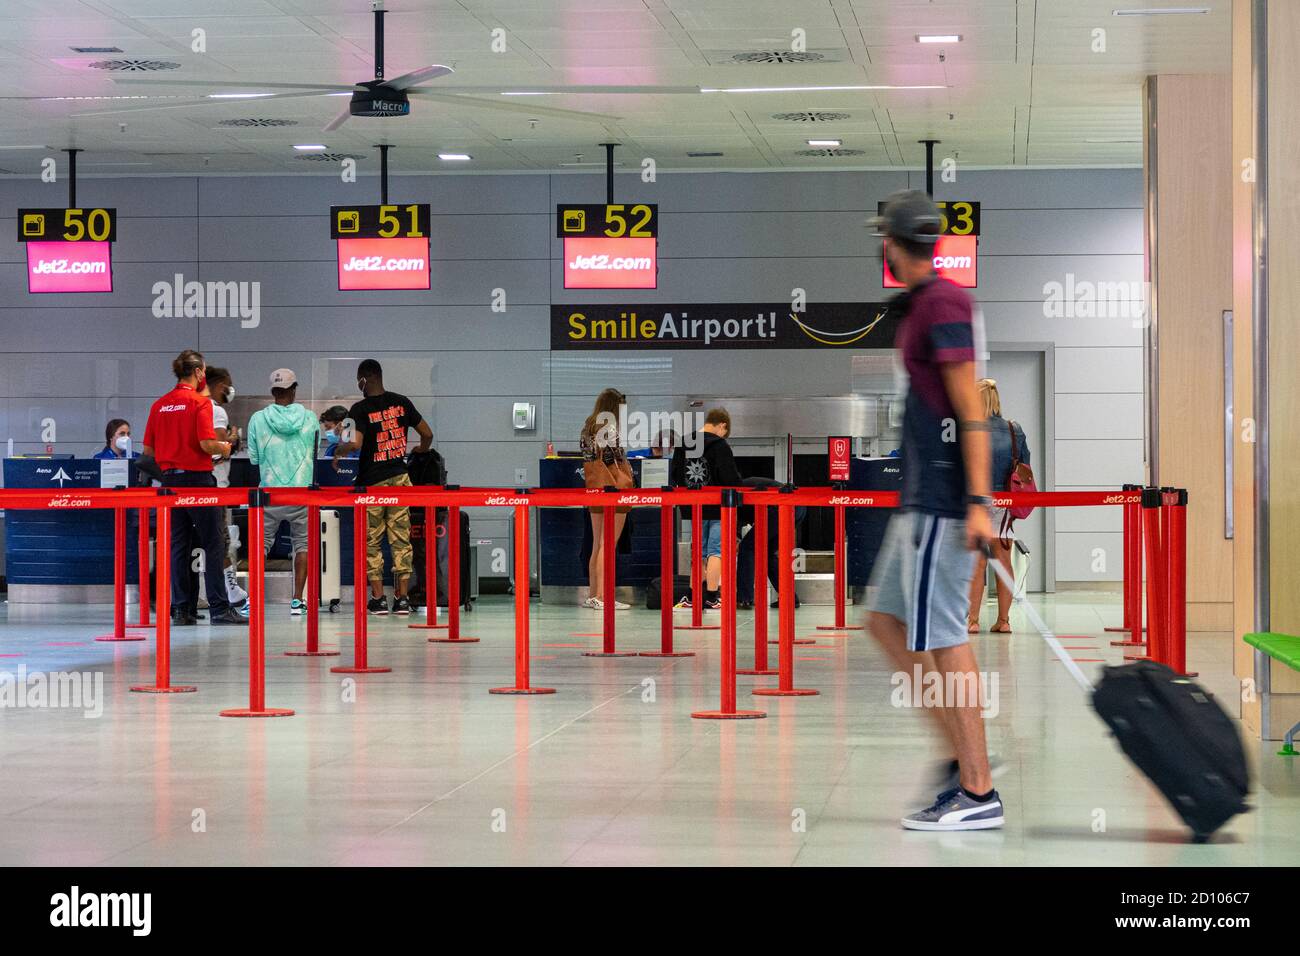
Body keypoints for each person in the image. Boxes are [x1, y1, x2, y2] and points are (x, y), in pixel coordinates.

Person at [866, 190, 1002, 831]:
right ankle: (957, 754)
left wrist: (978, 503)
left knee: (945, 638)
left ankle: (976, 792)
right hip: (918, 501)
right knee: (885, 621)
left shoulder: (944, 302)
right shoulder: (923, 304)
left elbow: (969, 408)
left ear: (891, 245)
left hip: (944, 505)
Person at [141, 349, 245, 626]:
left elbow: (148, 450)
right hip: (198, 480)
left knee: (178, 545)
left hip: (170, 482)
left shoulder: (159, 405)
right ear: (199, 372)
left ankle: (181, 609)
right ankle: (220, 608)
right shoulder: (200, 404)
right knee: (212, 544)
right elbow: (206, 445)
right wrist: (227, 446)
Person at [334, 359, 432, 615]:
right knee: (401, 539)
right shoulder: (402, 402)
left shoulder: (359, 409)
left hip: (373, 484)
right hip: (401, 480)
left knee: (372, 541)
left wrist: (337, 452)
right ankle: (402, 599)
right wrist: (420, 450)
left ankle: (378, 599)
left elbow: (353, 444)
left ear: (363, 380)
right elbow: (428, 434)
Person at [246, 369, 319, 616]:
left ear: (273, 391)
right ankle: (298, 600)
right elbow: (316, 452)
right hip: (302, 491)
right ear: (294, 389)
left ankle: (254, 598)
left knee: (261, 545)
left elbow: (254, 459)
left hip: (269, 492)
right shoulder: (310, 418)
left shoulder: (257, 419)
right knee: (303, 545)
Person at [968, 378, 1030, 634]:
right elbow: (1026, 470)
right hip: (1004, 502)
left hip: (973, 500)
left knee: (976, 561)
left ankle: (972, 621)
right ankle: (1003, 621)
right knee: (1003, 559)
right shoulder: (1014, 429)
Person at [670, 407, 743, 611]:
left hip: (694, 505)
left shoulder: (684, 442)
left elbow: (675, 474)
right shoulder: (720, 445)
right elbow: (730, 478)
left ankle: (693, 597)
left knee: (699, 552)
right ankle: (712, 597)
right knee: (716, 551)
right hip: (718, 505)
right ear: (722, 426)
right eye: (724, 432)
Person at [580, 388, 634, 611]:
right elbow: (617, 459)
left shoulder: (588, 426)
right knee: (608, 544)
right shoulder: (610, 428)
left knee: (596, 545)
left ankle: (593, 594)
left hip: (594, 488)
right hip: (614, 489)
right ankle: (604, 596)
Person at [200, 366, 248, 612]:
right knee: (219, 542)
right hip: (216, 486)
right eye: (228, 385)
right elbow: (217, 448)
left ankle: (231, 592)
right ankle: (228, 594)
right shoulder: (215, 410)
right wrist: (232, 440)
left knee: (211, 542)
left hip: (197, 486)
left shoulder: (196, 408)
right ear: (219, 385)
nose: (230, 390)